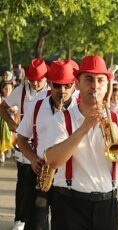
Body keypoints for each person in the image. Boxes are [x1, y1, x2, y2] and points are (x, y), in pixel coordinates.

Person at [44, 55, 118, 230]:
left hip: (106, 205)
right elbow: (53, 161)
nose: (95, 86)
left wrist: (112, 128)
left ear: (106, 85)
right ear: (77, 84)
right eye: (88, 79)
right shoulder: (62, 119)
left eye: (100, 80)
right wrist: (84, 128)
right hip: (69, 205)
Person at [16, 60, 78, 230]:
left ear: (74, 85)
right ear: (50, 83)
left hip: (69, 179)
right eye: (57, 85)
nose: (62, 91)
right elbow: (21, 139)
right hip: (40, 173)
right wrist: (33, 158)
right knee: (36, 224)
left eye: (68, 85)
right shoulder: (37, 105)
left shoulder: (80, 109)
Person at [0, 59, 50, 230]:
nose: (35, 83)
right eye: (32, 79)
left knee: (43, 188)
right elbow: (2, 107)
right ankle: (20, 219)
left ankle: (41, 223)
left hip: (44, 148)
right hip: (24, 147)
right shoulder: (20, 91)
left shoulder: (53, 92)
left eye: (39, 79)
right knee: (24, 184)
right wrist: (12, 125)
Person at [0, 81, 16, 163]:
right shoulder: (1, 98)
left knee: (10, 136)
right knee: (2, 136)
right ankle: (2, 152)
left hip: (11, 120)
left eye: (9, 89)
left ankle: (9, 149)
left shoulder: (14, 99)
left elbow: (16, 109)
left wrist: (13, 110)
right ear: (2, 89)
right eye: (6, 88)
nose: (7, 90)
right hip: (1, 121)